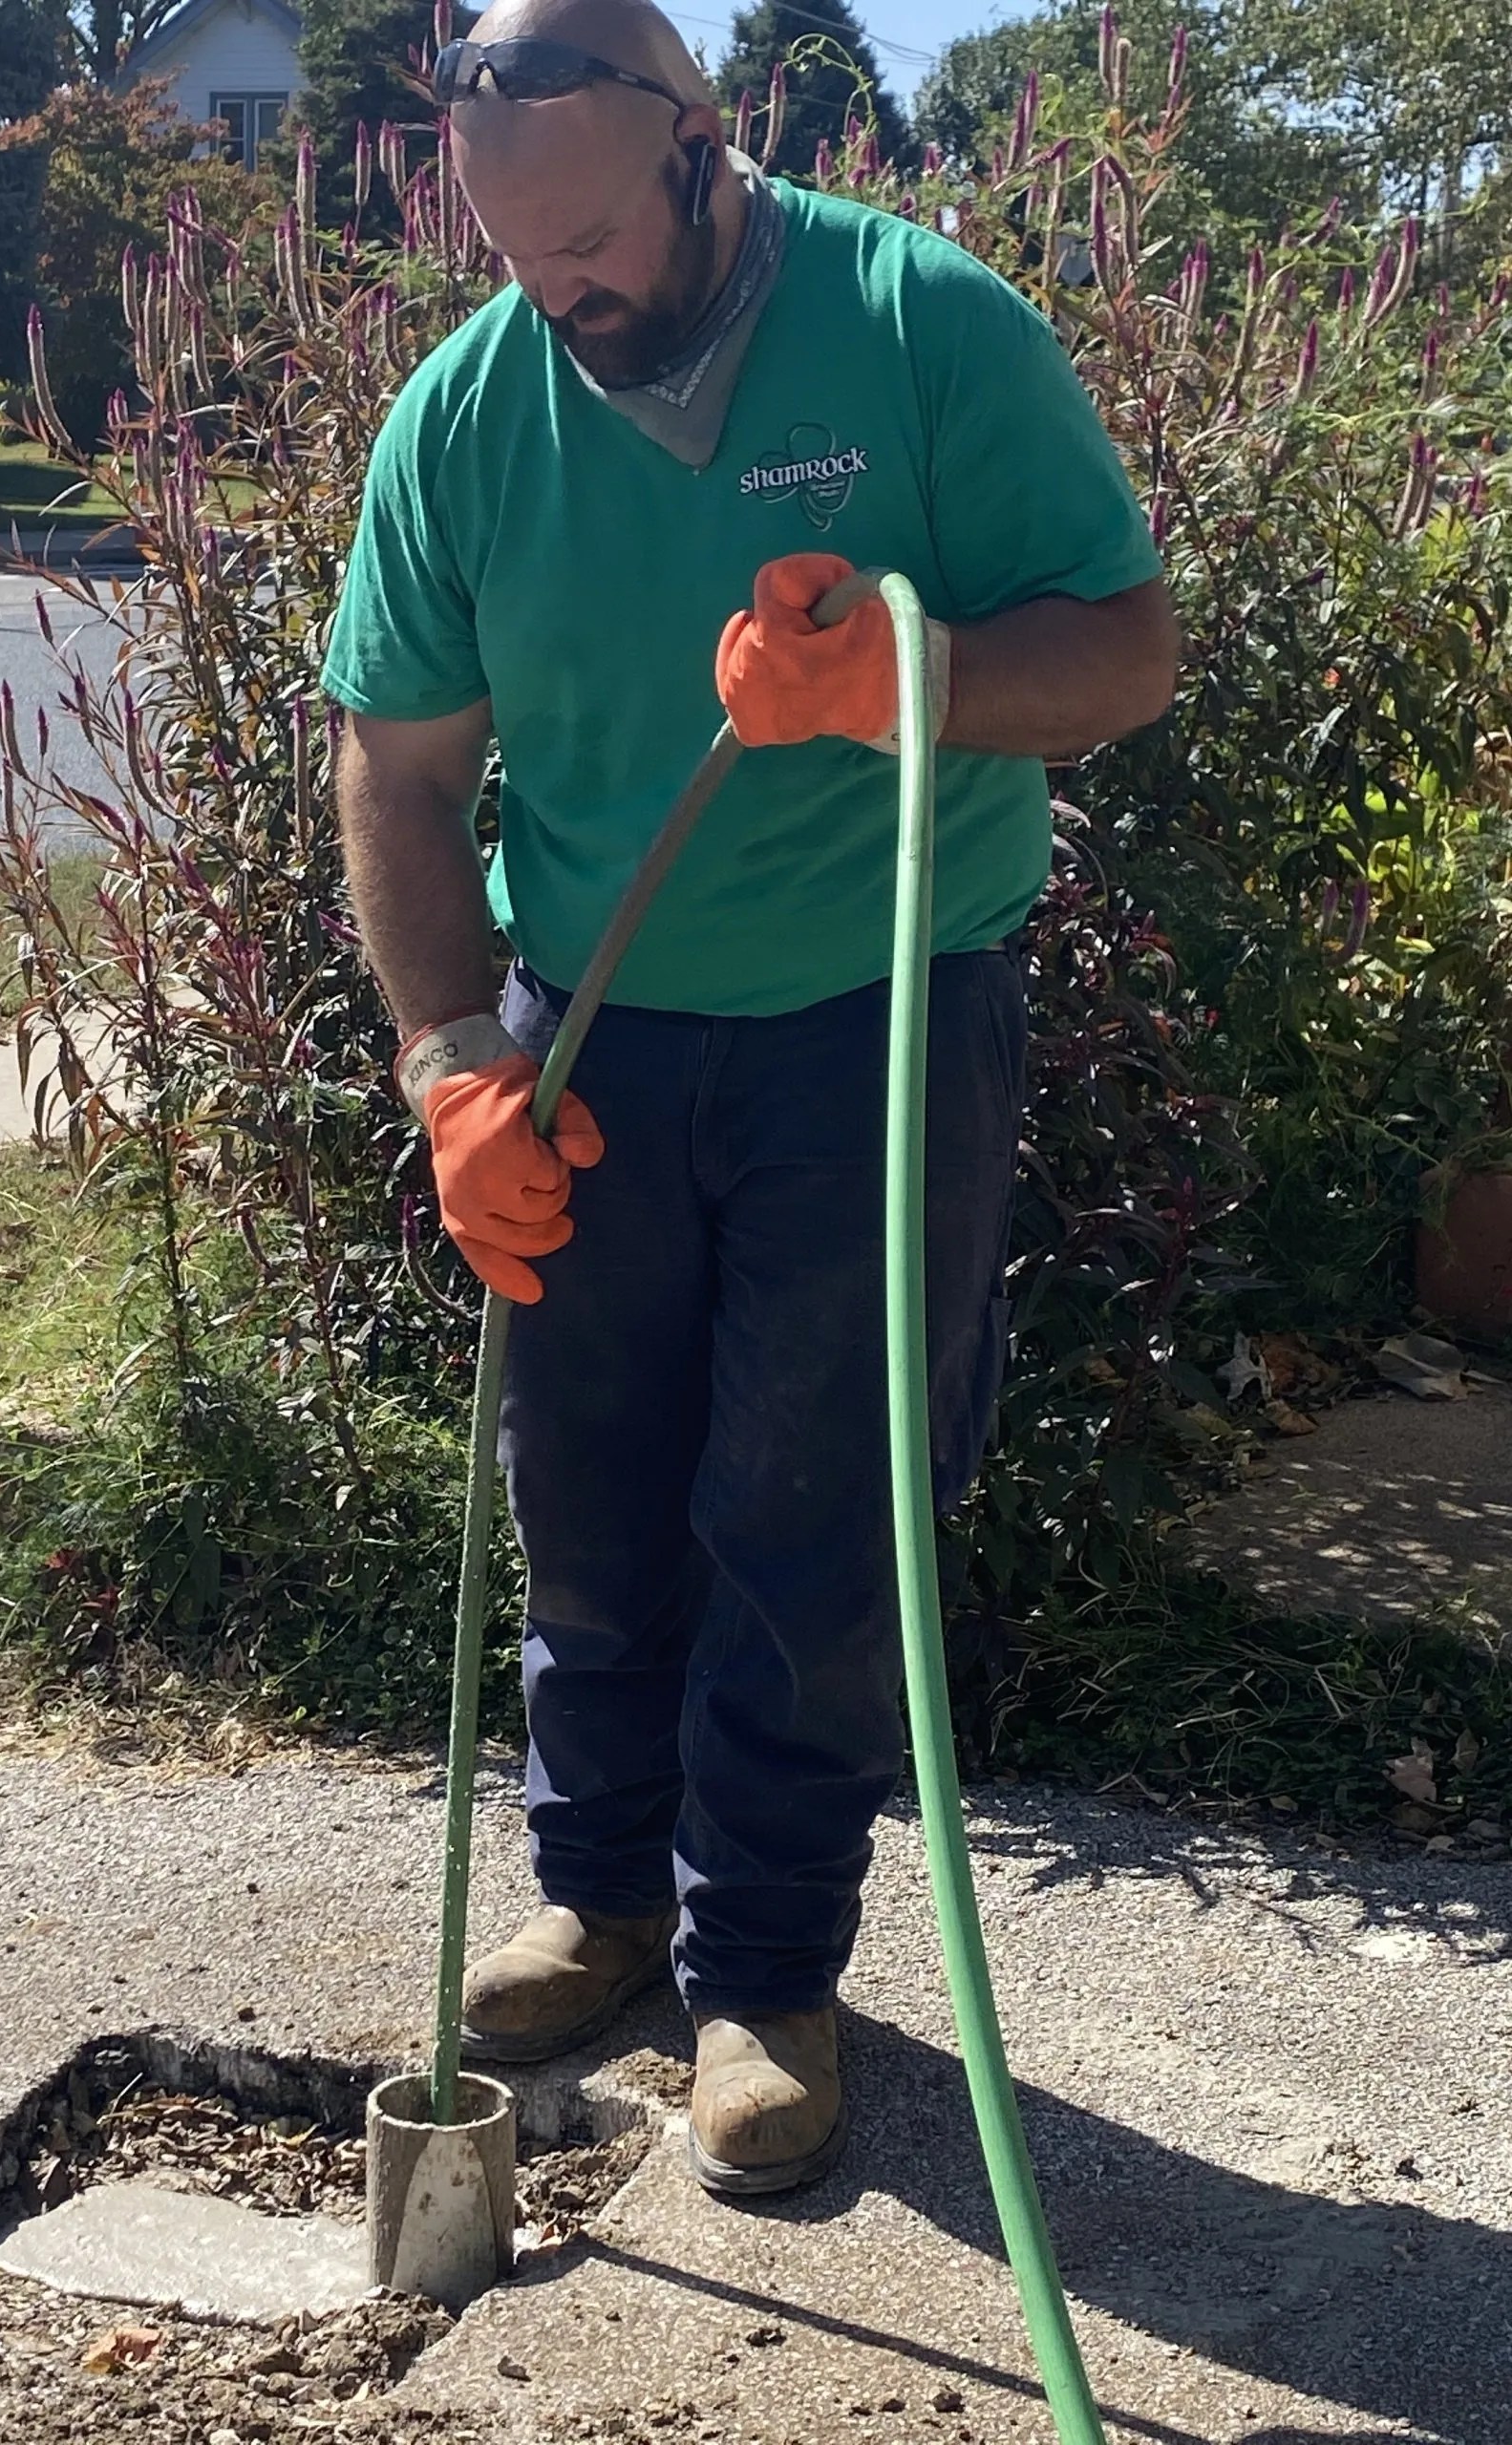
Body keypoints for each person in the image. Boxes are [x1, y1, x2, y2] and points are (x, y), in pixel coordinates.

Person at [322, 0, 1177, 2197]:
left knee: (810, 1513)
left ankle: (766, 1971)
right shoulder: (468, 417)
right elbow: (399, 772)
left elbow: (1125, 644)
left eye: (596, 238)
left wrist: (913, 679)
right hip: (585, 1030)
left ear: (708, 148)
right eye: (518, 257)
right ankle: (601, 1893)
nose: (563, 293)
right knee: (587, 1485)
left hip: (878, 1015)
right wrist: (450, 1068)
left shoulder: (919, 325)